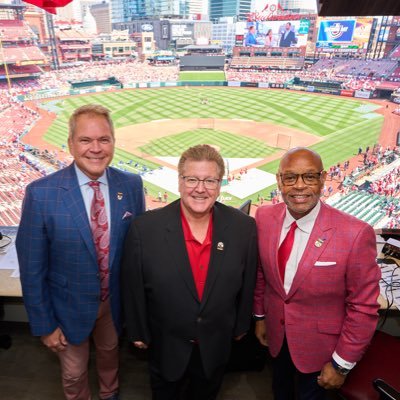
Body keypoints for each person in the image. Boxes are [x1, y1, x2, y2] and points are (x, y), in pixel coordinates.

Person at [16, 104, 145, 400]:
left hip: (113, 304)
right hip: (67, 308)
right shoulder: (41, 193)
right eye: (86, 140)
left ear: (113, 141)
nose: (96, 149)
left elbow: (136, 253)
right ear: (71, 144)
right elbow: (32, 268)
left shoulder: (131, 185)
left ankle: (109, 394)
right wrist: (45, 325)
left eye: (104, 139)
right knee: (74, 374)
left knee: (110, 356)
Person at [121, 144, 258, 400]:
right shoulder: (145, 228)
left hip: (215, 344)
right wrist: (137, 330)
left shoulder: (243, 227)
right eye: (192, 179)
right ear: (180, 181)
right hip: (165, 345)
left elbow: (248, 281)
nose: (200, 188)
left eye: (209, 180)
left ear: (219, 184)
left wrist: (241, 325)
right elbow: (133, 286)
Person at [253, 147, 381, 400]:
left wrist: (341, 364)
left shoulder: (355, 234)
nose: (299, 186)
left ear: (323, 179)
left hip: (323, 354)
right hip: (277, 340)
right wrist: (260, 316)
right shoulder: (264, 217)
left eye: (309, 176)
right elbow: (262, 274)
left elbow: (363, 307)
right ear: (279, 180)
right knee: (280, 392)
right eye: (290, 177)